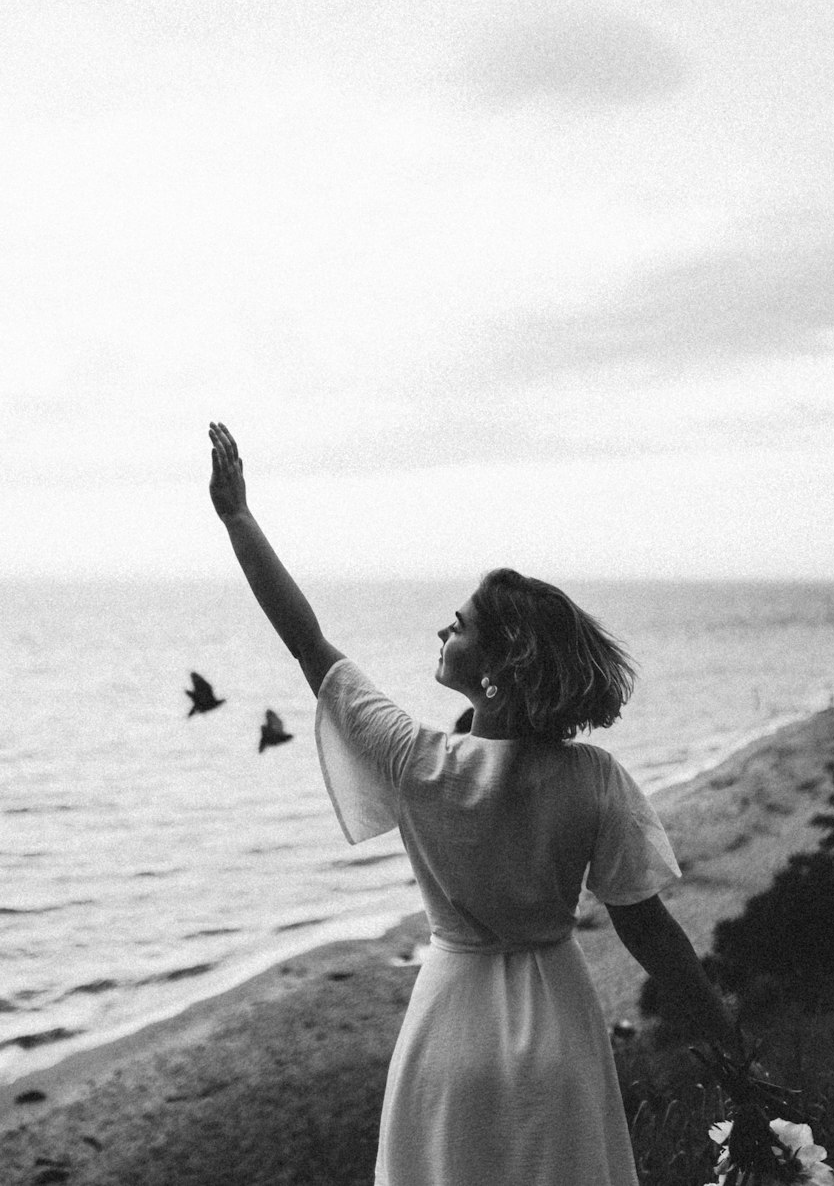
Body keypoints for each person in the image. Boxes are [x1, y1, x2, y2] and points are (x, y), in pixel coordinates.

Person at [207, 420, 741, 1186]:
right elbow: (651, 934)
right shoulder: (595, 778)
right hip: (559, 1027)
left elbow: (307, 642)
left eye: (458, 627)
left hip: (448, 1032)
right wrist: (730, 1047)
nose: (442, 630)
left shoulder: (417, 760)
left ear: (497, 666)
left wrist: (237, 518)